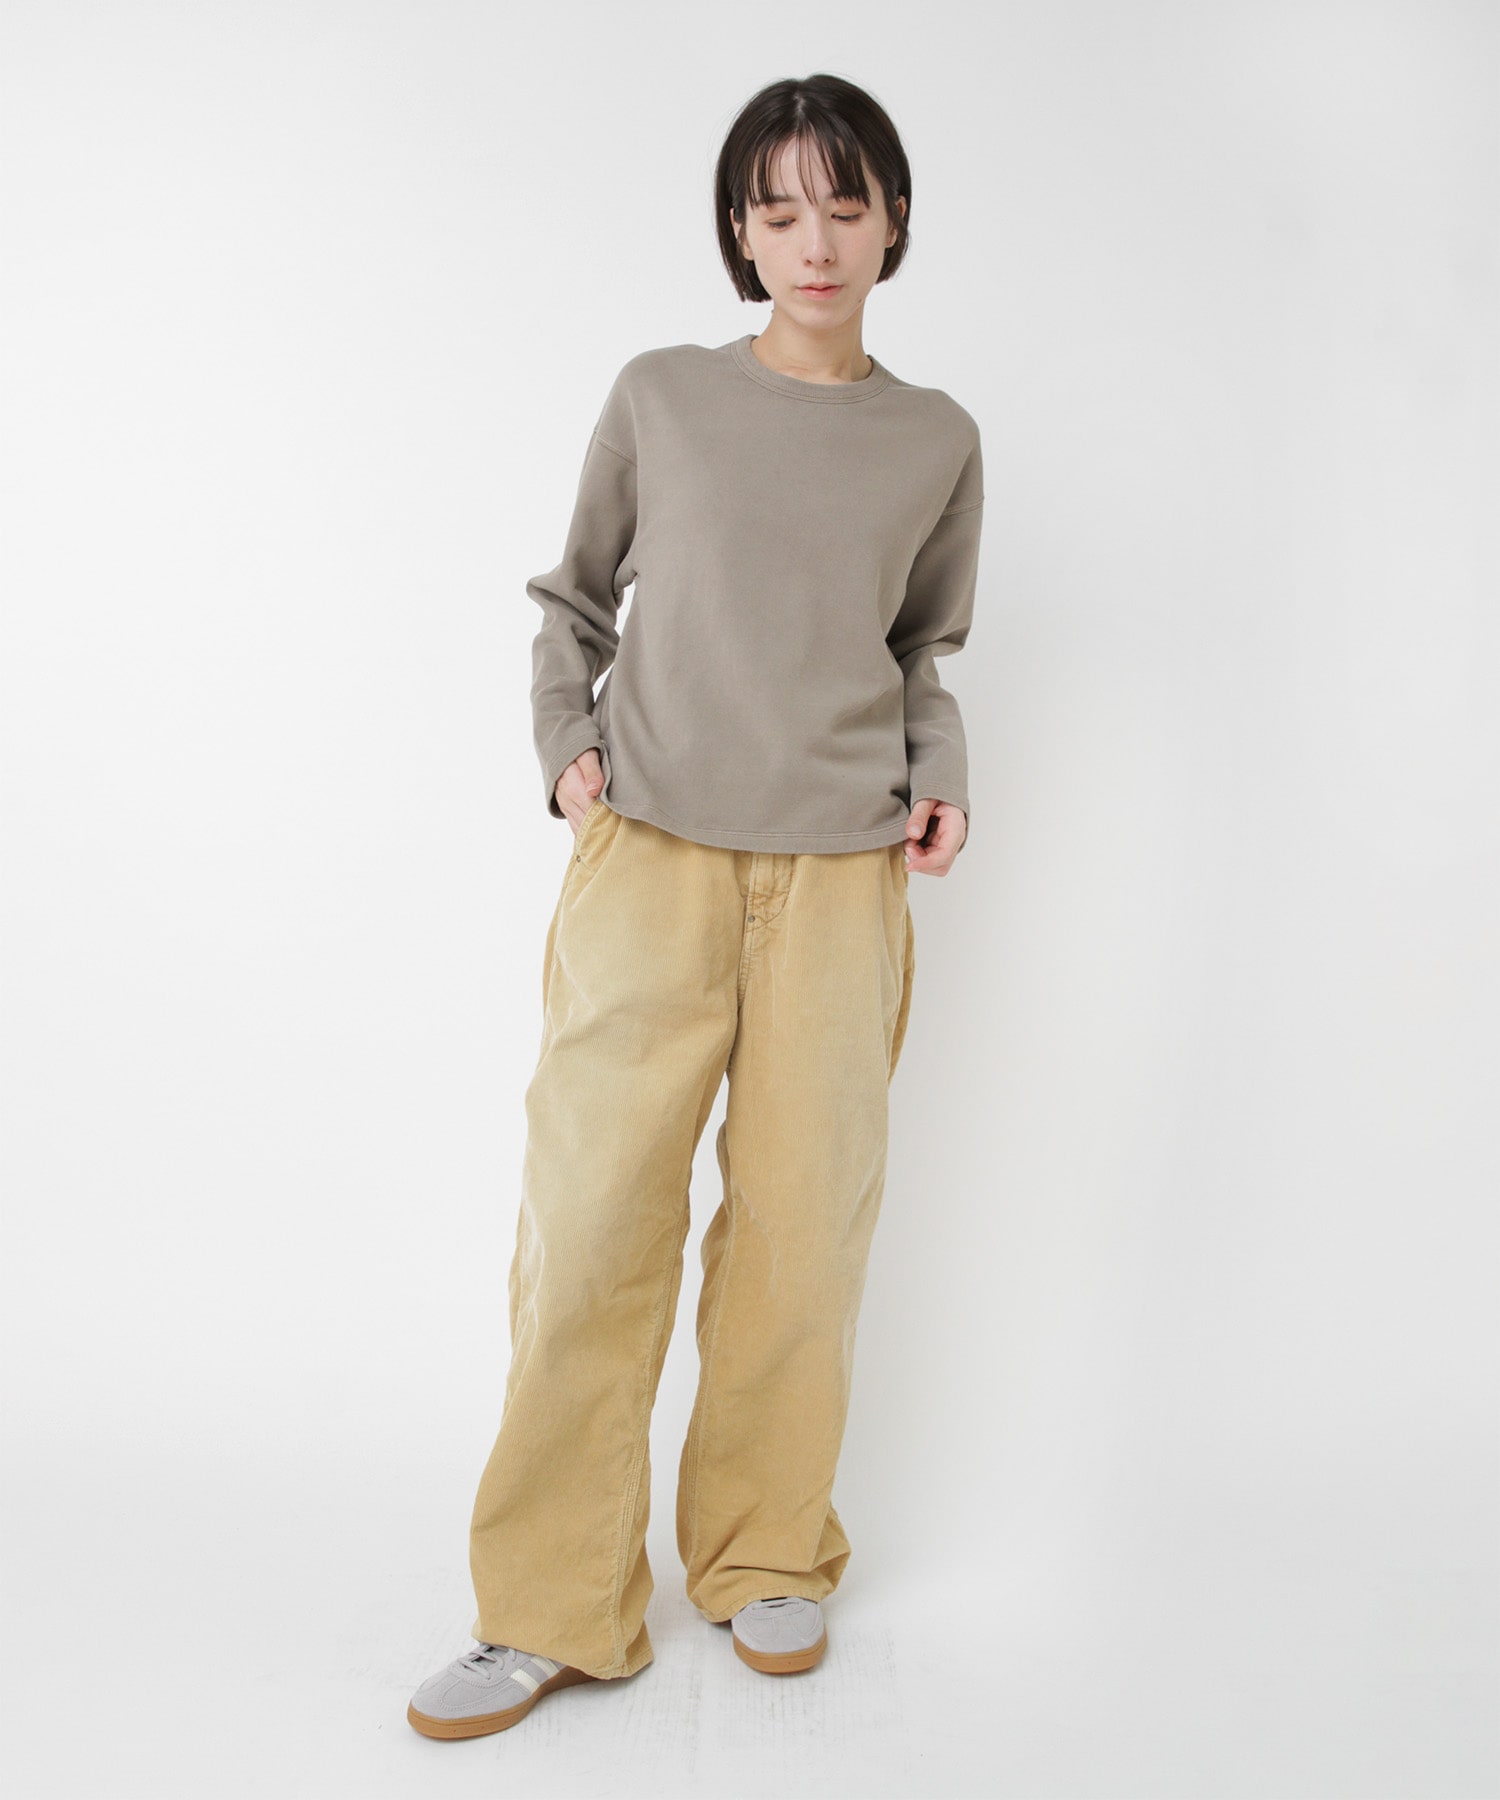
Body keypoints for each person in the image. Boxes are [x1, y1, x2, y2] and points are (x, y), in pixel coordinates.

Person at [407, 71, 985, 1740]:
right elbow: (572, 603)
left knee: (802, 1229)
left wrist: (939, 769)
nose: (817, 241)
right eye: (781, 209)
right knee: (593, 1224)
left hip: (841, 877)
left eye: (847, 205)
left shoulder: (936, 439)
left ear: (892, 220)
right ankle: (549, 1605)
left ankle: (764, 1550)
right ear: (740, 229)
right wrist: (566, 752)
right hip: (651, 853)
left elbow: (919, 650)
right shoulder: (662, 396)